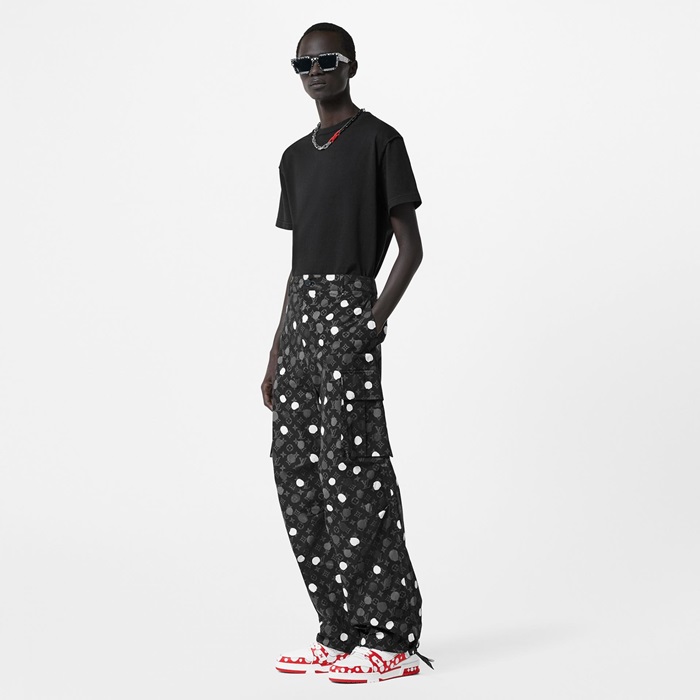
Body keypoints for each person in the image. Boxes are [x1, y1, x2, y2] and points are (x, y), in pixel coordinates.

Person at [261, 22, 433, 684]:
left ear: (351, 64)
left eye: (326, 59)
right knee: (297, 475)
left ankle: (391, 639)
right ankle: (337, 632)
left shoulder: (380, 142)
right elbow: (297, 265)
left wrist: (371, 323)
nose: (315, 71)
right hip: (300, 322)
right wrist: (276, 350)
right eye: (302, 63)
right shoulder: (293, 158)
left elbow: (411, 249)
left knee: (355, 475)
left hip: (348, 315)